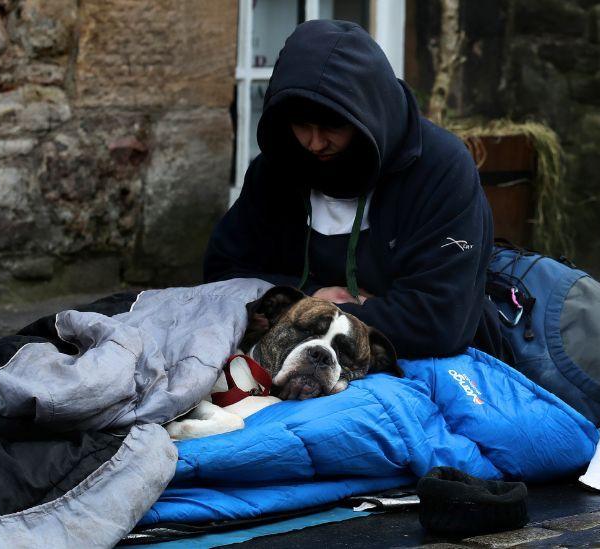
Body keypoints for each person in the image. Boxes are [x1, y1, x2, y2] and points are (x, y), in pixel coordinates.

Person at [204, 19, 506, 361]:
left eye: (332, 126)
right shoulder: (278, 168)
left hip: (421, 364)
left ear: (367, 114)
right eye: (301, 126)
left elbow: (439, 322)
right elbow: (223, 278)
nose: (314, 143)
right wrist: (310, 297)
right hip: (294, 359)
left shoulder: (441, 171)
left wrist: (307, 315)